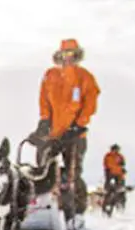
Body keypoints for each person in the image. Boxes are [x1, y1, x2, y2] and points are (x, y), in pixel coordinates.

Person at [28, 38, 100, 218]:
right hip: (52, 133)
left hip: (75, 134)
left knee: (72, 174)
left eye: (71, 54)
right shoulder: (50, 75)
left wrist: (79, 124)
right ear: (59, 55)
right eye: (65, 53)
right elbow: (44, 99)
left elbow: (90, 103)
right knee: (43, 170)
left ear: (77, 55)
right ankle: (40, 207)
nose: (68, 57)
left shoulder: (85, 77)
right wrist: (44, 120)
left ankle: (74, 210)